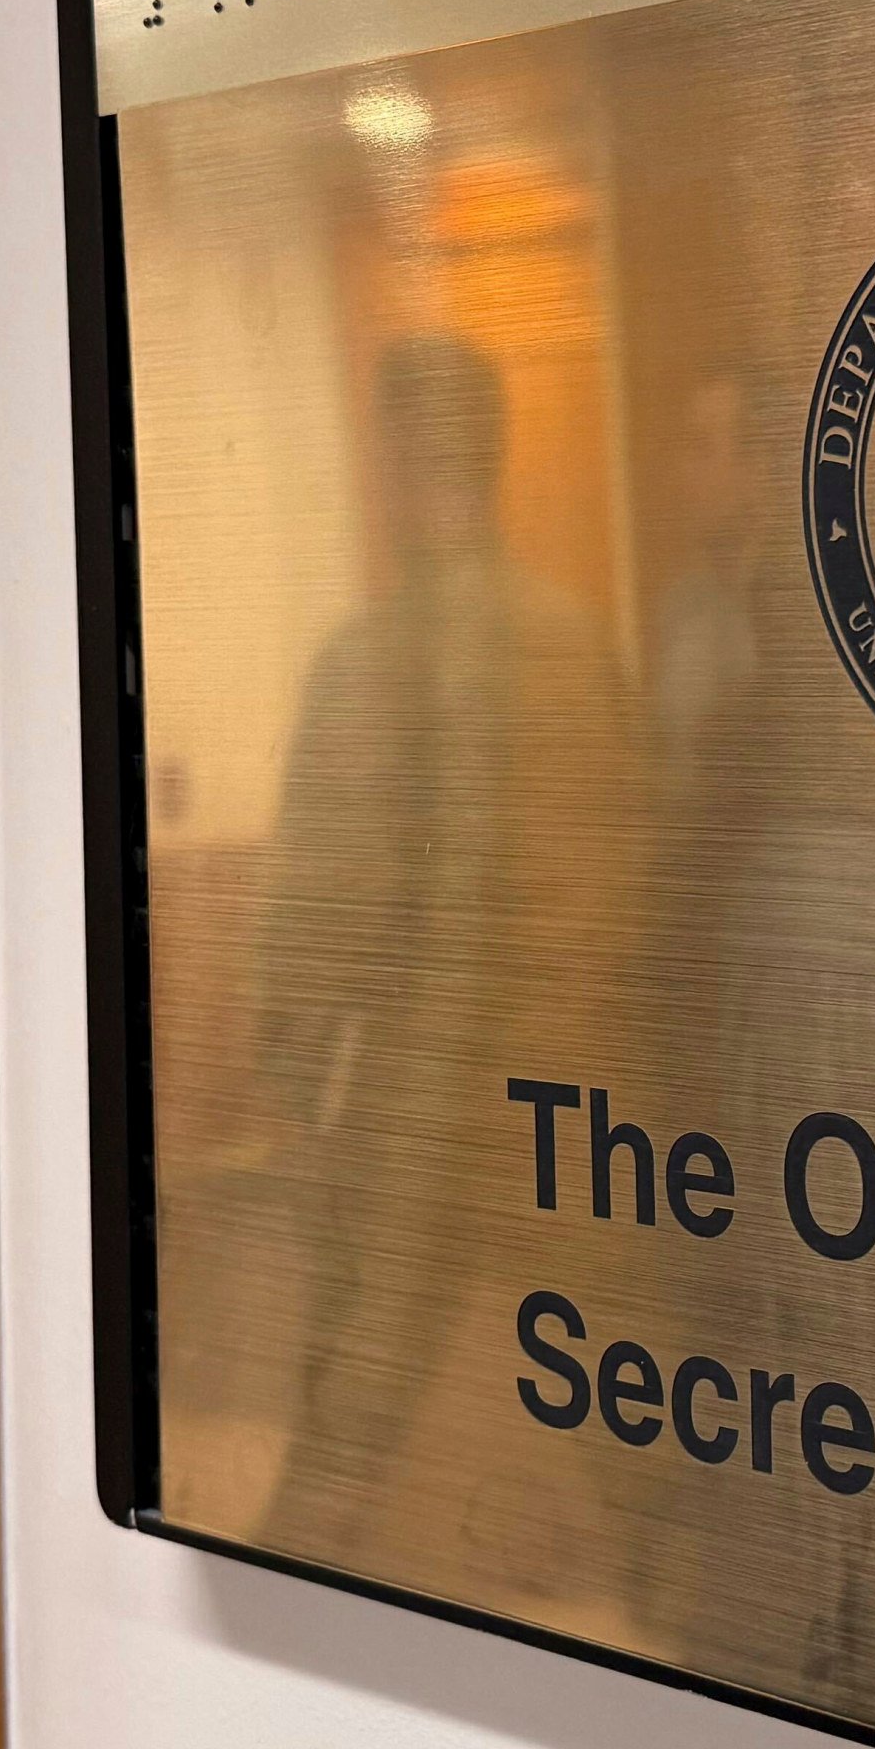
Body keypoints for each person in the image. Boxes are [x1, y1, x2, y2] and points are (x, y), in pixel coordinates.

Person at [240, 334, 648, 1613]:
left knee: (350, 1419)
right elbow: (629, 888)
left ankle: (290, 1638)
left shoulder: (367, 664)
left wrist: (302, 1082)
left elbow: (322, 919)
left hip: (418, 1109)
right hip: (559, 1101)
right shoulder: (575, 647)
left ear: (401, 457)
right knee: (617, 1402)